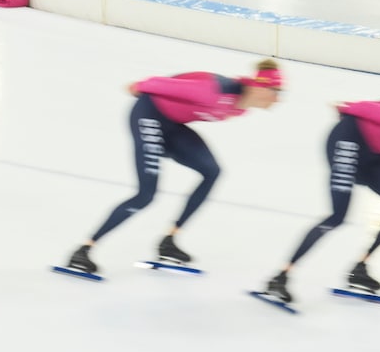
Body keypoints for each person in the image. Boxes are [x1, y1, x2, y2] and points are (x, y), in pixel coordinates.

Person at [63, 59, 283, 275]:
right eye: (276, 91)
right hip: (148, 116)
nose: (278, 99)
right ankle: (83, 250)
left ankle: (169, 241)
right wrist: (139, 87)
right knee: (146, 195)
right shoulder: (213, 90)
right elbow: (154, 84)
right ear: (260, 87)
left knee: (212, 171)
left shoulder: (240, 108)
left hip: (173, 127)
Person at [261, 97, 380, 303]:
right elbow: (376, 109)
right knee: (337, 217)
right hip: (347, 140)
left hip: (372, 154)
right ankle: (280, 277)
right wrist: (349, 107)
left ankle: (360, 268)